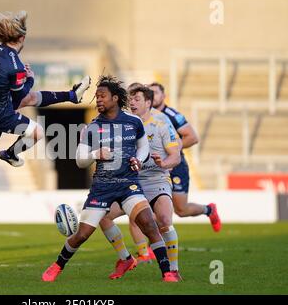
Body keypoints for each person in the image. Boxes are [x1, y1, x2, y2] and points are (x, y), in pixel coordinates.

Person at [41, 75, 179, 283]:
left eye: (102, 96)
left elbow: (143, 147)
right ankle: (57, 265)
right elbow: (79, 160)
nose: (98, 100)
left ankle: (167, 272)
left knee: (149, 224)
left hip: (128, 184)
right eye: (96, 96)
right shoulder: (92, 127)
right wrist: (96, 154)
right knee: (82, 234)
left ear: (115, 98)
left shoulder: (134, 122)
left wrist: (139, 160)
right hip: (102, 188)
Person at [0, 11, 91, 167]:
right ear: (22, 38)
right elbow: (20, 95)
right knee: (38, 132)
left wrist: (19, 80)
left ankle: (72, 95)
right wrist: (30, 79)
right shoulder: (16, 66)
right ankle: (10, 154)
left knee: (30, 99)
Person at [99, 84, 183, 280]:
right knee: (102, 215)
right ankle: (126, 258)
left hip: (156, 180)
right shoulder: (122, 123)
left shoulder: (162, 123)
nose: (132, 103)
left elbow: (175, 156)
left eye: (137, 99)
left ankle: (173, 270)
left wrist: (164, 163)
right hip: (130, 182)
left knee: (164, 220)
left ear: (148, 102)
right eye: (130, 99)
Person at [149, 82, 221, 232]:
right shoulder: (145, 115)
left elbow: (192, 137)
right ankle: (150, 249)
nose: (152, 96)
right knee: (151, 208)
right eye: (150, 93)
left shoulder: (172, 115)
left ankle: (209, 210)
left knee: (181, 210)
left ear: (164, 96)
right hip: (155, 167)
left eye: (155, 92)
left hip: (175, 166)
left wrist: (172, 149)